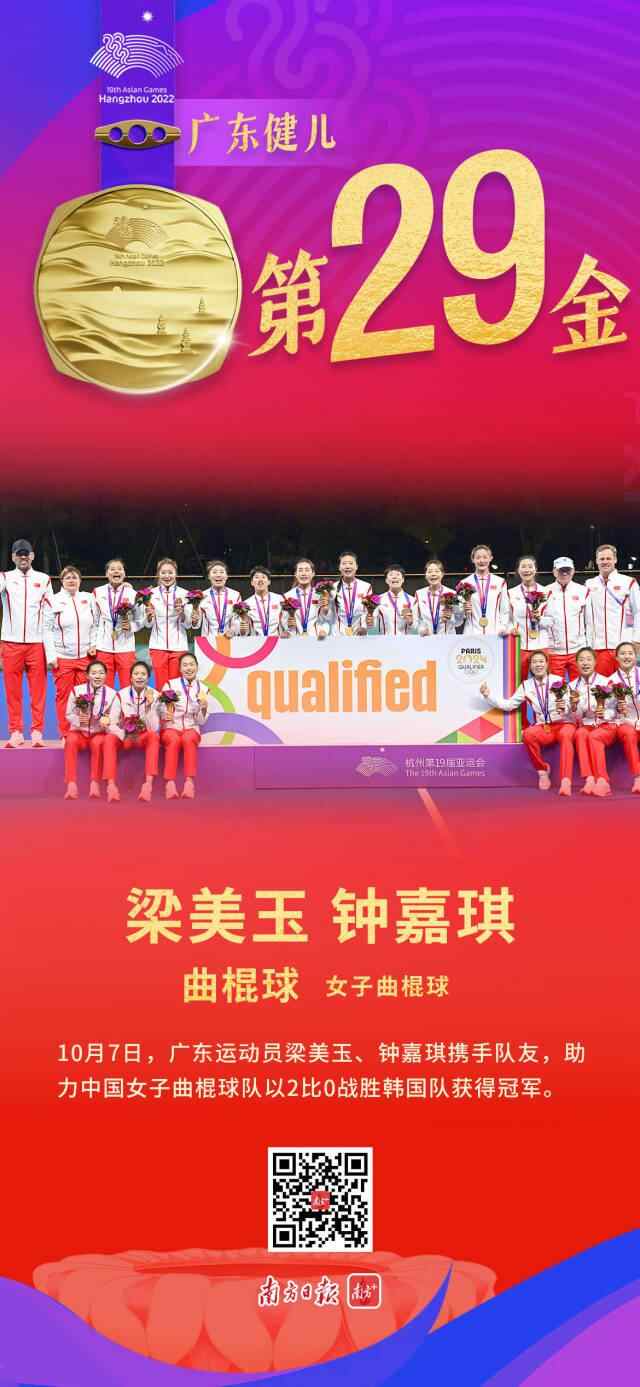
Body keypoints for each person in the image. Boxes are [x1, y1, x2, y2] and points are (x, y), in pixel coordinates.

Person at [480, 649, 575, 794]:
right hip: (544, 727)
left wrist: (565, 707)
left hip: (564, 724)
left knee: (566, 735)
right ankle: (542, 771)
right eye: (534, 662)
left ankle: (565, 780)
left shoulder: (558, 681)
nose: (538, 665)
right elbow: (509, 705)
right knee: (528, 734)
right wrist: (488, 696)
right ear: (530, 666)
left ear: (547, 664)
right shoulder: (526, 685)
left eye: (541, 661)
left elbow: (571, 706)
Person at [0, 539, 53, 747]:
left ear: (32, 556)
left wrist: (50, 648)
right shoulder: (5, 577)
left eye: (26, 554)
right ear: (13, 557)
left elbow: (51, 612)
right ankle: (16, 731)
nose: (23, 557)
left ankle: (37, 731)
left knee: (38, 691)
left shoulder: (44, 579)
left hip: (36, 643)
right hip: (11, 642)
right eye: (19, 554)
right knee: (12, 691)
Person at [43, 566, 94, 737]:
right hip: (63, 658)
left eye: (74, 577)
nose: (71, 580)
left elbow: (96, 624)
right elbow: (46, 629)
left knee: (85, 696)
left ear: (80, 580)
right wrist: (51, 655)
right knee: (64, 697)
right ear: (61, 581)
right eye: (67, 577)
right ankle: (65, 734)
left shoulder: (89, 598)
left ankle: (82, 731)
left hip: (86, 657)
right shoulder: (53, 600)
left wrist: (94, 644)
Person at [63, 659, 122, 801]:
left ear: (106, 675)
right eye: (94, 673)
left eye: (101, 673)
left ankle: (94, 784)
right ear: (87, 675)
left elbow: (114, 719)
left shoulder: (112, 695)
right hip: (79, 732)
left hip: (98, 732)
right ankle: (71, 784)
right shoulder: (77, 691)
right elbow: (68, 714)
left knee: (98, 743)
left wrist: (106, 722)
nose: (97, 676)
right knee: (70, 741)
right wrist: (79, 720)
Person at [588, 642, 640, 797]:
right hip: (625, 723)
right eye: (622, 654)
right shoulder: (610, 681)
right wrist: (615, 710)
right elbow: (608, 710)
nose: (627, 656)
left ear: (635, 656)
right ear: (616, 657)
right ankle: (634, 778)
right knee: (627, 733)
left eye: (630, 653)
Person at [158, 651, 209, 800]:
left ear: (197, 667)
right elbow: (160, 708)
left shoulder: (203, 689)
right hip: (171, 727)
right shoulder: (170, 684)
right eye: (185, 665)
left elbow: (201, 721)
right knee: (173, 739)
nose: (189, 668)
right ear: (180, 669)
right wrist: (165, 713)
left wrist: (204, 708)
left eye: (191, 664)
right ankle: (170, 783)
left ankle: (189, 783)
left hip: (191, 727)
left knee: (188, 739)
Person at [585, 544, 640, 676]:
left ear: (615, 560)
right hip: (598, 647)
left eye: (608, 558)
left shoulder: (628, 582)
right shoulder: (589, 584)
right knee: (601, 686)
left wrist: (637, 639)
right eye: (602, 559)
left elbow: (638, 611)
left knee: (626, 685)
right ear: (596, 561)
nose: (605, 562)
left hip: (624, 646)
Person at [111, 660, 161, 802]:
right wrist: (123, 735)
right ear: (131, 677)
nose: (139, 677)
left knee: (153, 736)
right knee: (108, 738)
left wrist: (150, 706)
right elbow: (112, 722)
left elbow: (154, 727)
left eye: (143, 674)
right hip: (126, 737)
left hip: (143, 737)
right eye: (136, 674)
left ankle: (148, 785)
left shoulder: (155, 695)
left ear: (148, 677)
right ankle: (111, 786)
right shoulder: (121, 695)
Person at [90, 558, 144, 688]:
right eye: (112, 569)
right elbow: (94, 621)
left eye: (120, 569)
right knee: (103, 688)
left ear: (124, 573)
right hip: (103, 647)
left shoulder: (133, 594)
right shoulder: (97, 592)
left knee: (128, 687)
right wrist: (93, 644)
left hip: (126, 647)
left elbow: (141, 620)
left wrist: (131, 626)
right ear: (106, 573)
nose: (116, 571)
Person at [566, 646, 612, 796]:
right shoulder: (572, 686)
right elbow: (577, 717)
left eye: (588, 659)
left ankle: (603, 780)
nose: (585, 663)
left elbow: (615, 710)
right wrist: (574, 706)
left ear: (595, 662)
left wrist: (605, 713)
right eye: (581, 660)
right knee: (580, 733)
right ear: (576, 664)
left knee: (593, 736)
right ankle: (589, 778)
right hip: (587, 724)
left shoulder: (606, 682)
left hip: (606, 724)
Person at [145, 558, 193, 688]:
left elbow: (188, 624)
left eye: (170, 572)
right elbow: (148, 625)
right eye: (163, 572)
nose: (167, 576)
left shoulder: (185, 594)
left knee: (177, 685)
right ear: (158, 574)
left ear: (176, 574)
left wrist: (182, 613)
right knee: (161, 685)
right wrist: (149, 616)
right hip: (157, 646)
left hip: (179, 646)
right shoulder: (150, 595)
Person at [540, 557, 588, 682]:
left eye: (568, 570)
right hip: (554, 651)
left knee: (580, 688)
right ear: (554, 572)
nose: (565, 573)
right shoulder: (544, 592)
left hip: (578, 650)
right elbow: (539, 619)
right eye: (561, 570)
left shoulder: (583, 591)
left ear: (573, 571)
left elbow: (589, 620)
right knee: (556, 689)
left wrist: (587, 645)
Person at [507, 555, 549, 678]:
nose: (527, 570)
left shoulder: (546, 591)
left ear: (535, 569)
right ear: (518, 570)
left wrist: (540, 618)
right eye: (523, 567)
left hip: (541, 645)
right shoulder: (511, 593)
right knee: (518, 682)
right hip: (520, 645)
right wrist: (511, 628)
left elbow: (552, 620)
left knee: (543, 683)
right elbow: (506, 619)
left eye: (530, 566)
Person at [458, 545, 510, 637]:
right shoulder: (464, 583)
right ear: (473, 559)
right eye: (478, 557)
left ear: (490, 558)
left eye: (485, 557)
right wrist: (463, 610)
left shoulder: (500, 582)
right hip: (471, 633)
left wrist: (503, 627)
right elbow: (458, 613)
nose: (481, 561)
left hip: (495, 633)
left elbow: (505, 609)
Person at [192, 559, 241, 640]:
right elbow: (196, 625)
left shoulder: (235, 595)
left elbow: (238, 618)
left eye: (222, 572)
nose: (218, 575)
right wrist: (194, 619)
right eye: (214, 572)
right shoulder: (201, 596)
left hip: (230, 640)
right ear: (209, 576)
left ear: (227, 576)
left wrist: (233, 630)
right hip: (208, 642)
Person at [414, 560, 460, 636]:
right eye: (430, 572)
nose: (433, 574)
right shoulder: (419, 594)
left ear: (442, 574)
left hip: (448, 638)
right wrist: (421, 629)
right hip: (427, 638)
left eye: (437, 571)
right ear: (425, 575)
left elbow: (459, 621)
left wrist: (451, 617)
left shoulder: (452, 593)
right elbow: (416, 619)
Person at [330, 551, 373, 635]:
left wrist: (364, 627)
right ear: (339, 567)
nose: (347, 566)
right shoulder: (332, 588)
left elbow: (369, 611)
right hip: (337, 635)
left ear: (356, 566)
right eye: (344, 563)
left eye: (350, 563)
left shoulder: (366, 586)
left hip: (360, 634)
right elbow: (328, 615)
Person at [235, 567, 285, 637]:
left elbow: (285, 621)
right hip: (256, 641)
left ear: (269, 582)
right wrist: (242, 630)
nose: (260, 580)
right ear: (252, 582)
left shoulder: (279, 599)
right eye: (257, 577)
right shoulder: (246, 604)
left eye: (263, 577)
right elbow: (244, 630)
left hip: (277, 640)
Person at [282, 559, 322, 636]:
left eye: (307, 570)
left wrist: (322, 631)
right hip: (295, 638)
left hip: (316, 638)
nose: (303, 573)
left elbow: (324, 619)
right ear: (295, 574)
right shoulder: (287, 596)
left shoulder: (320, 595)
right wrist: (288, 625)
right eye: (300, 570)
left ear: (313, 574)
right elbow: (284, 622)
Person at [377, 567, 415, 635]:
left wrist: (411, 622)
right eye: (391, 575)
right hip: (384, 640)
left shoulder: (412, 600)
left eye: (398, 574)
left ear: (403, 579)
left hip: (405, 640)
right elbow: (372, 624)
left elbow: (417, 626)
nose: (394, 577)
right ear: (386, 580)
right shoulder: (378, 599)